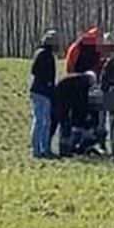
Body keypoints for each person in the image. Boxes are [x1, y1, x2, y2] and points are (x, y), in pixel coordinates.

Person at [28, 30, 59, 159]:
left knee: (44, 121)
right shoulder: (44, 55)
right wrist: (47, 84)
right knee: (41, 121)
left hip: (41, 91)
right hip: (41, 92)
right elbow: (37, 71)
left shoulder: (42, 53)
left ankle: (43, 148)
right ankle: (38, 150)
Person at [53, 71, 97, 157]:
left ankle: (67, 148)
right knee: (65, 124)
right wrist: (82, 116)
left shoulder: (79, 80)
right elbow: (79, 100)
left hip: (61, 96)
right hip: (61, 99)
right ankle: (64, 150)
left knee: (65, 124)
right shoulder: (82, 82)